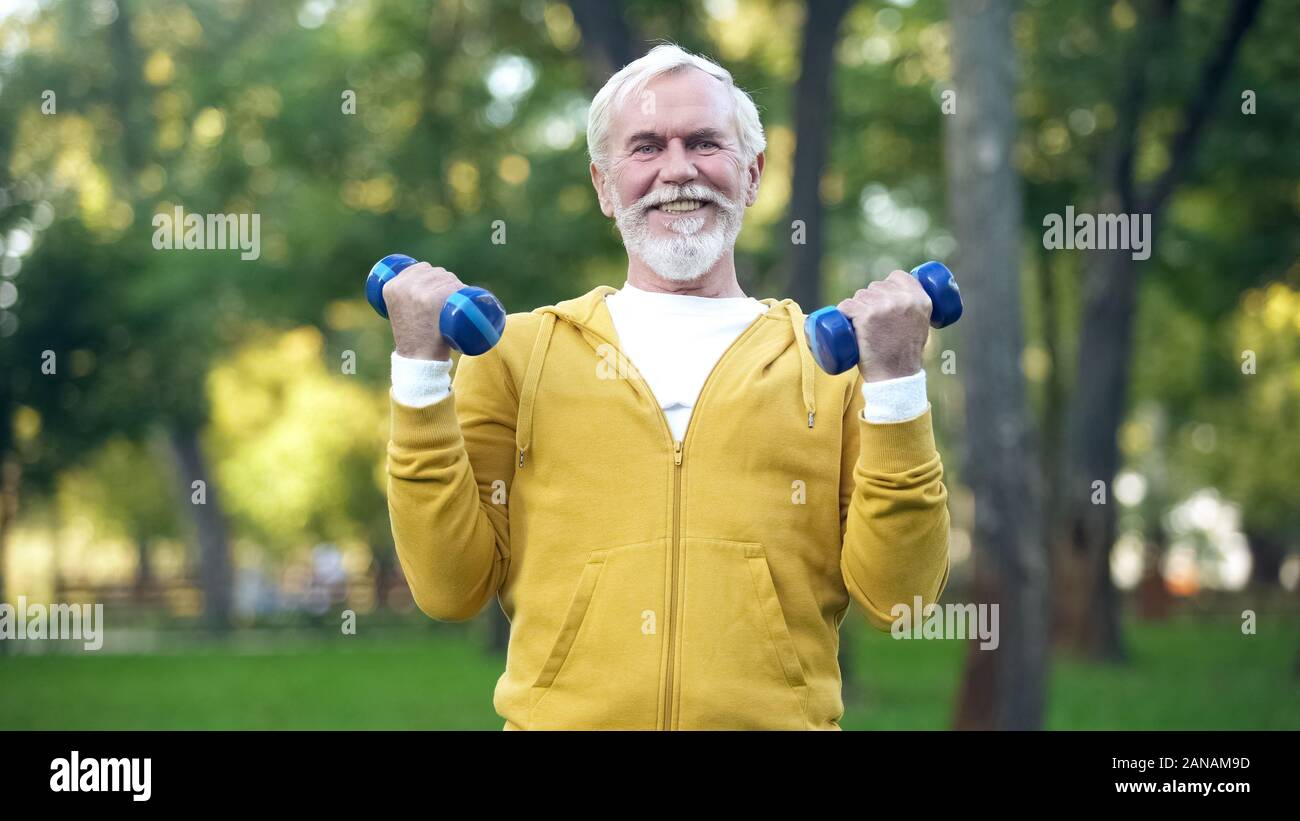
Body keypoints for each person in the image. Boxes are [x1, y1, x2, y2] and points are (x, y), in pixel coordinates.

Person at [382, 44, 950, 729]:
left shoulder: (828, 366)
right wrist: (419, 366)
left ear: (752, 173)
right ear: (602, 184)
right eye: (646, 147)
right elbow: (448, 587)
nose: (678, 170)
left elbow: (901, 598)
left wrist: (895, 381)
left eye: (705, 142)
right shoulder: (519, 356)